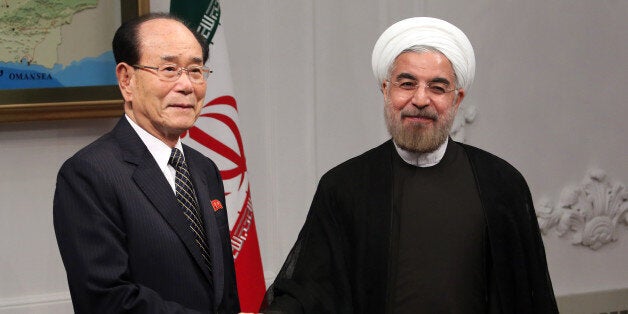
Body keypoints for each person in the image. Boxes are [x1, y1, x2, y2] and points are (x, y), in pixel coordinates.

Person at [262, 17, 558, 313]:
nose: (420, 99)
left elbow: (531, 295)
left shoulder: (502, 184)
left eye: (438, 88)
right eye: (407, 84)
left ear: (457, 100)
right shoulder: (344, 186)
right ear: (386, 90)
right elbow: (309, 292)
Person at [53, 13, 240, 313]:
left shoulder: (205, 168)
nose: (187, 85)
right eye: (168, 69)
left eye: (195, 70)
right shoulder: (89, 174)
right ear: (126, 79)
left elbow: (223, 288)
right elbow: (105, 300)